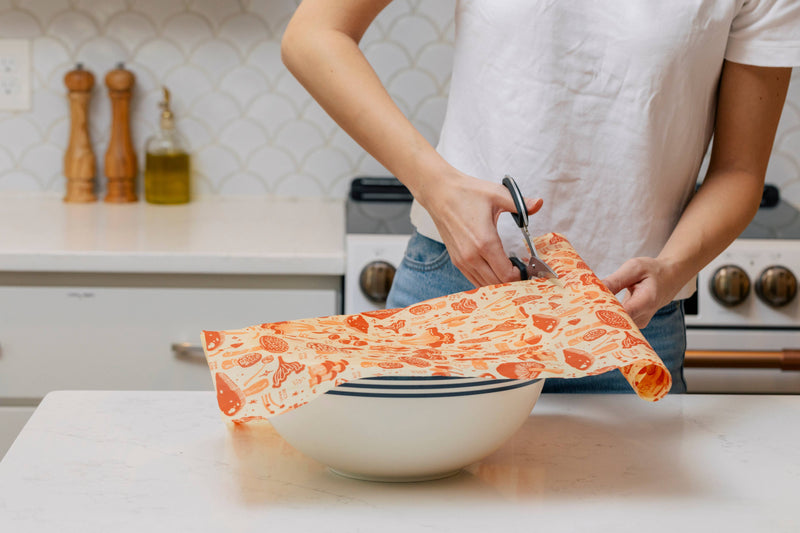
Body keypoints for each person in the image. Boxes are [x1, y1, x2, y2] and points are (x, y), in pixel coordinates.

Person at [281, 1, 800, 393]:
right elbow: (314, 34)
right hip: (455, 291)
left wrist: (671, 267)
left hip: (626, 325)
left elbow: (738, 170)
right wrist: (435, 184)